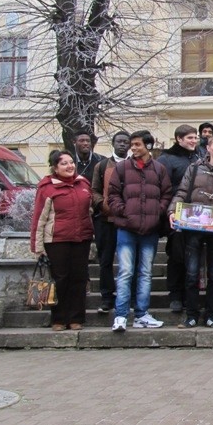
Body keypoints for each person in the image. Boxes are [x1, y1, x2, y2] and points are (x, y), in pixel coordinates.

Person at [168, 135, 213, 329]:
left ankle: (211, 316)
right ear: (208, 147)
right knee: (191, 273)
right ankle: (191, 316)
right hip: (193, 226)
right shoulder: (195, 167)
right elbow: (182, 191)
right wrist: (173, 210)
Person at [107, 130, 172, 332]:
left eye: (137, 144)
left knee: (145, 272)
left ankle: (142, 314)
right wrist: (124, 211)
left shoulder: (159, 169)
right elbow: (113, 195)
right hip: (126, 228)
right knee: (126, 272)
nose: (133, 148)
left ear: (148, 146)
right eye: (131, 145)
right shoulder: (122, 168)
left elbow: (166, 194)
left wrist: (158, 211)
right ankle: (121, 316)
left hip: (150, 230)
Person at [31, 150, 94, 331]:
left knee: (79, 279)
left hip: (81, 238)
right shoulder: (47, 188)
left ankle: (76, 319)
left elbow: (89, 209)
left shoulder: (83, 184)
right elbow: (39, 218)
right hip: (57, 240)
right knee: (61, 279)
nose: (69, 166)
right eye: (64, 163)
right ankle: (59, 319)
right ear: (55, 167)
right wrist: (37, 246)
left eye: (71, 162)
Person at [157, 124, 199, 313]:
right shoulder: (166, 159)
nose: (194, 141)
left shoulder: (200, 156)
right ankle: (175, 294)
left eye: (195, 137)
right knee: (176, 255)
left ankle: (191, 295)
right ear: (179, 139)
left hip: (198, 215)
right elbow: (163, 188)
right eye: (190, 138)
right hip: (176, 213)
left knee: (193, 256)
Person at [91, 131, 131, 314]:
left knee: (129, 262)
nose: (122, 145)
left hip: (128, 220)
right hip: (106, 220)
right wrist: (103, 205)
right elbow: (95, 190)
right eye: (119, 142)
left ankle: (127, 297)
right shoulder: (102, 165)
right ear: (113, 144)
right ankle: (107, 297)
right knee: (106, 260)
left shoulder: (134, 165)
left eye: (125, 142)